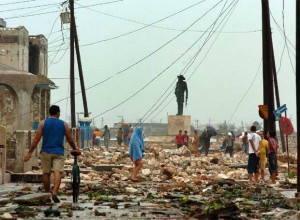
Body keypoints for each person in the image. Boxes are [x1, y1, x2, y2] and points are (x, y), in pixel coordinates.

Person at [24, 105, 79, 203]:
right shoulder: (64, 124)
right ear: (58, 113)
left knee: (46, 173)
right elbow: (70, 139)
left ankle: (47, 194)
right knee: (58, 172)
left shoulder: (43, 123)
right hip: (58, 152)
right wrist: (75, 149)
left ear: (50, 113)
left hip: (45, 151)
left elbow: (36, 139)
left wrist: (29, 153)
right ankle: (54, 192)